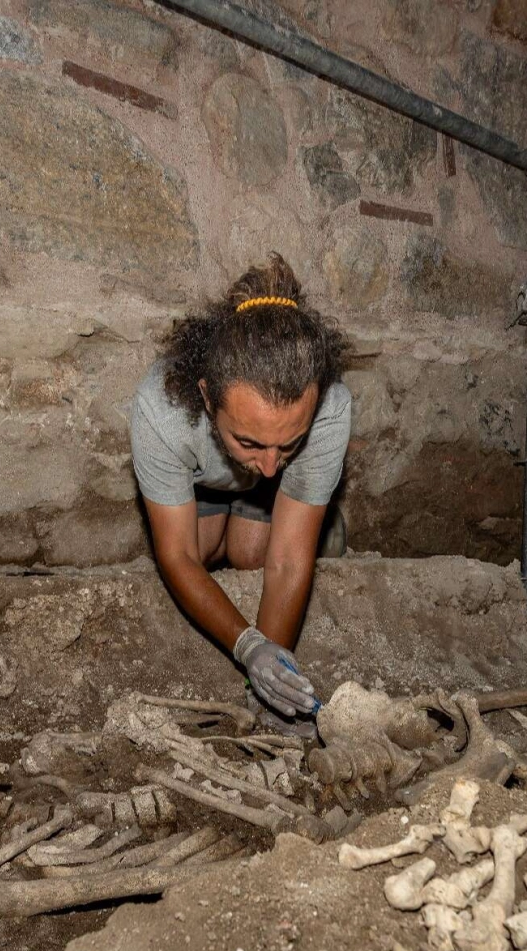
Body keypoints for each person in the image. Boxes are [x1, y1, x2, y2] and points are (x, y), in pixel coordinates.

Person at [130, 253, 351, 735]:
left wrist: (271, 688)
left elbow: (289, 562)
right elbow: (177, 555)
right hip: (206, 476)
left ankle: (325, 528)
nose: (272, 462)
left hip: (269, 495)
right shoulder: (161, 410)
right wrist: (248, 645)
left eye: (289, 442)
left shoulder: (330, 408)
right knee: (204, 551)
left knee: (253, 555)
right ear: (208, 399)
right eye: (249, 440)